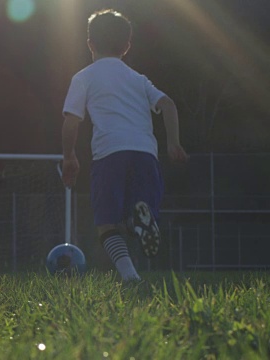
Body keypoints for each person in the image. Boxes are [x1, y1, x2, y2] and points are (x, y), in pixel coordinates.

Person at [61, 9, 188, 281]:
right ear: (127, 46)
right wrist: (173, 142)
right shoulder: (139, 79)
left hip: (109, 153)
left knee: (106, 223)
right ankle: (138, 219)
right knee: (138, 210)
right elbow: (168, 104)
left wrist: (69, 155)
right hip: (145, 153)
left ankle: (130, 276)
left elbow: (72, 121)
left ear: (90, 44)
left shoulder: (84, 77)